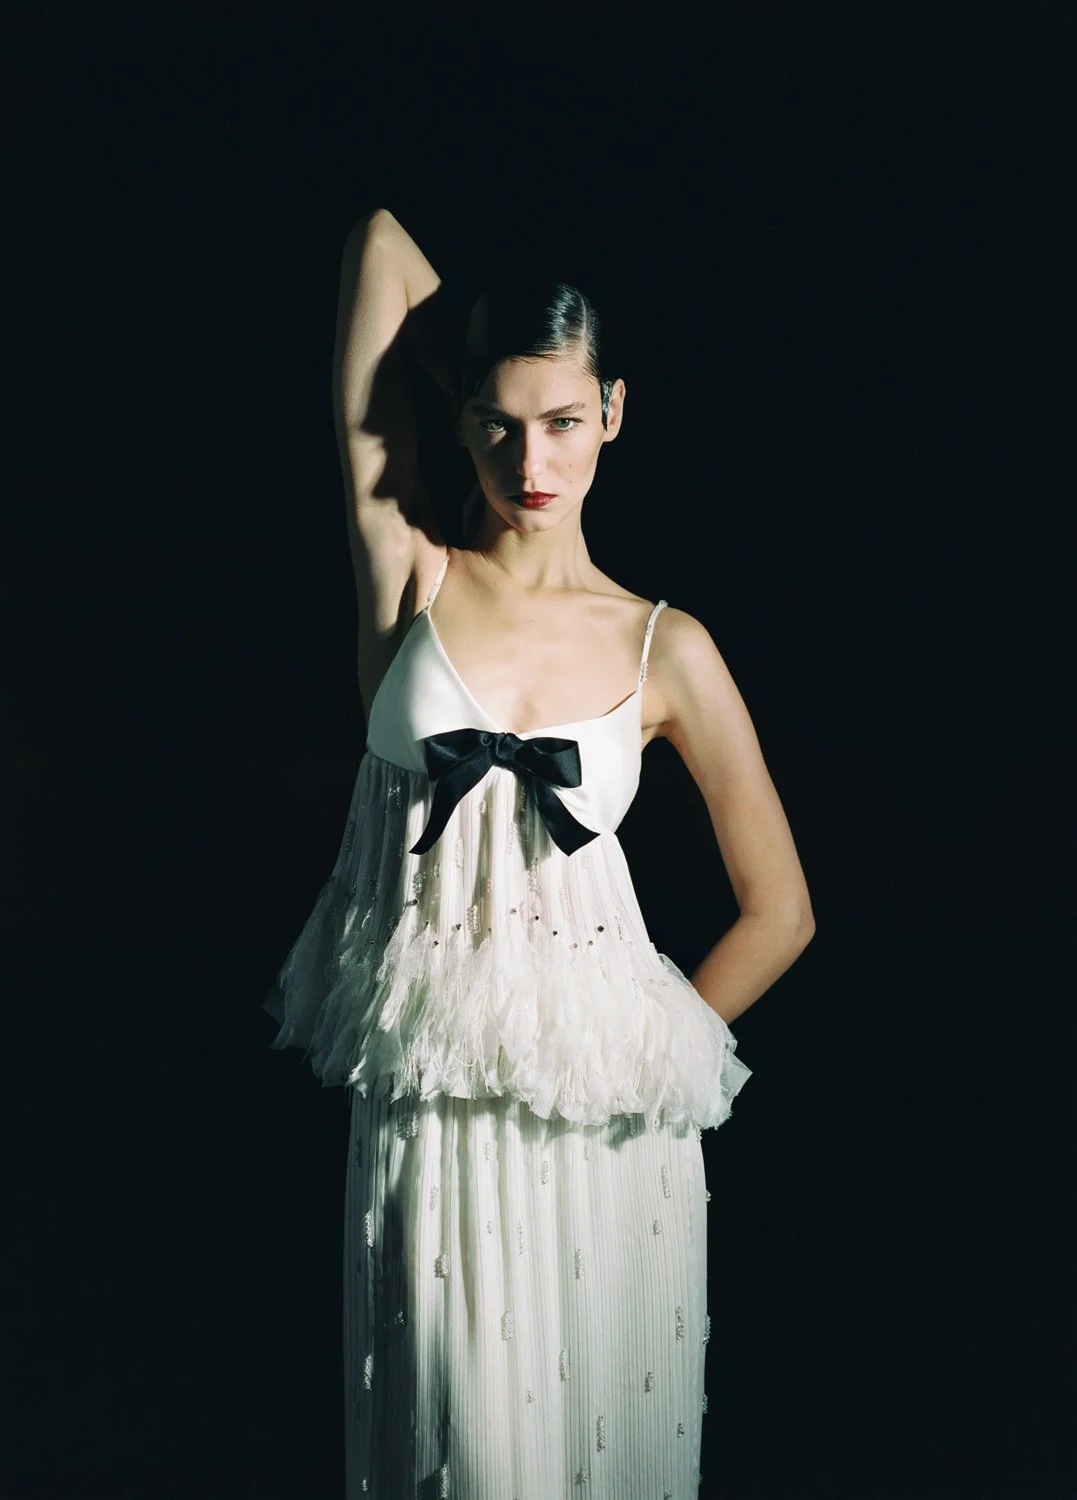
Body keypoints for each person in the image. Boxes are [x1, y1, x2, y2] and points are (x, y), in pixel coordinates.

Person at [263, 207, 816, 1499]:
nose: (532, 460)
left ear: (614, 414)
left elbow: (780, 911)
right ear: (459, 418)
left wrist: (638, 1047)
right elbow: (379, 245)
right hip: (433, 1106)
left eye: (564, 421)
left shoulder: (665, 644)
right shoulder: (411, 570)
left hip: (607, 1123)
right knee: (456, 1447)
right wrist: (484, 355)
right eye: (499, 424)